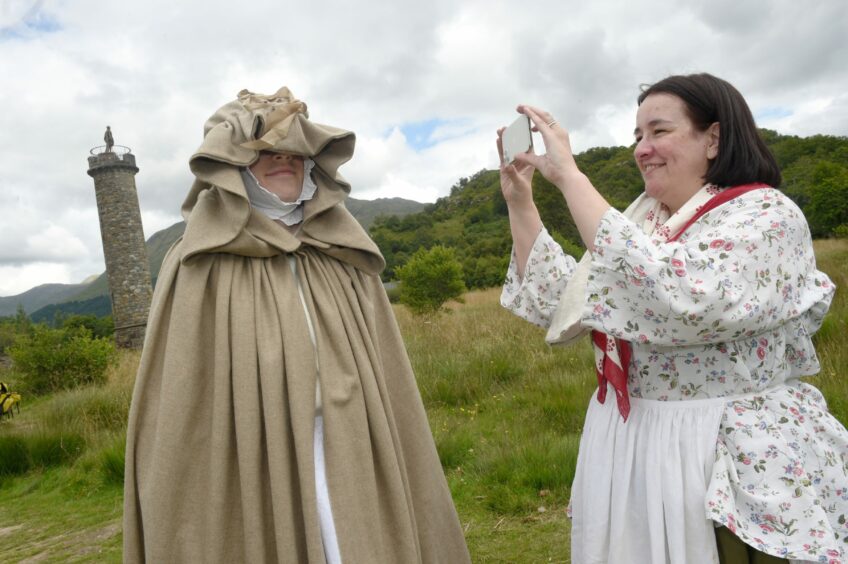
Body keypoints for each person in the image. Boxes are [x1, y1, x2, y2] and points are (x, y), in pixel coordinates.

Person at [498, 73, 847, 563]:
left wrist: (571, 177)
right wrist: (520, 201)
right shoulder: (645, 225)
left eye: (659, 131)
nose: (643, 148)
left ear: (714, 138)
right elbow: (569, 303)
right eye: (638, 136)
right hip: (632, 439)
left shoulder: (767, 215)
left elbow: (682, 298)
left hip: (720, 446)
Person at [123, 87, 471, 564]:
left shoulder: (343, 255)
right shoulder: (196, 264)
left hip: (352, 452)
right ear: (232, 166)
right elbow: (180, 411)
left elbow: (390, 388)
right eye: (266, 150)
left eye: (294, 150)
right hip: (252, 460)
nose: (284, 158)